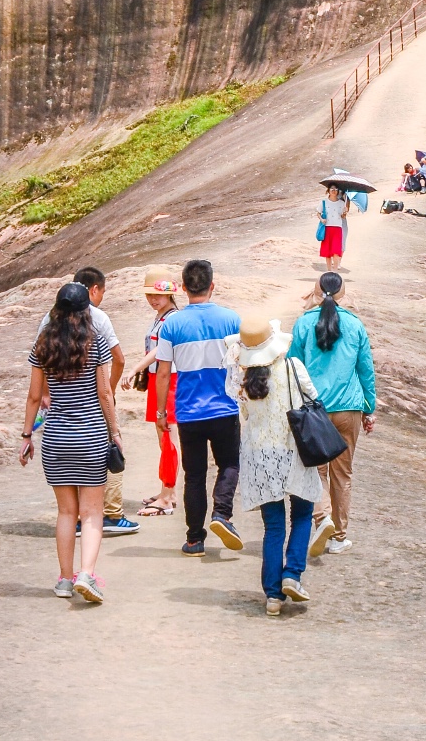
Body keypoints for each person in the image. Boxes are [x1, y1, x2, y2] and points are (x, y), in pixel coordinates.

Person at [21, 281, 122, 605]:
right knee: (92, 513)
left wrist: (26, 436)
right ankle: (86, 574)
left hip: (55, 439)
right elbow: (105, 393)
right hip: (91, 436)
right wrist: (115, 432)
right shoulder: (96, 343)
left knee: (66, 513)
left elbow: (35, 396)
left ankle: (64, 580)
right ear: (85, 310)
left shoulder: (43, 344)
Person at [227, 313, 324, 616]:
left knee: (273, 526)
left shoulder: (241, 379)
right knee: (304, 514)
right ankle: (292, 574)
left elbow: (244, 412)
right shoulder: (292, 366)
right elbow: (314, 396)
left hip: (260, 456)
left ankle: (272, 596)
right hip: (294, 450)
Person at [35, 265, 134, 540]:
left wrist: (47, 393)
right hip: (92, 409)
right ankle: (112, 513)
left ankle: (76, 521)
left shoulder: (48, 320)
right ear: (92, 290)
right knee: (109, 451)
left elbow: (40, 360)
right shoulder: (98, 319)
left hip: (58, 415)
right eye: (101, 292)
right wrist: (109, 391)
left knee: (65, 501)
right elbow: (120, 359)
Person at [154, 258, 243, 556]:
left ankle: (194, 539)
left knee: (194, 475)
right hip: (225, 407)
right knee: (229, 462)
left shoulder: (172, 325)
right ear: (212, 285)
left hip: (189, 412)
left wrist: (161, 412)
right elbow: (242, 363)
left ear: (183, 287)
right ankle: (222, 513)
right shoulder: (231, 319)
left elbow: (163, 372)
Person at [289, 272, 376, 558]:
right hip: (349, 408)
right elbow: (365, 370)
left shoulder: (303, 323)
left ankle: (322, 517)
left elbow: (293, 367)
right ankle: (339, 537)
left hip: (314, 409)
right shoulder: (355, 324)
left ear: (315, 292)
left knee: (316, 470)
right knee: (343, 473)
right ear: (343, 294)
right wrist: (369, 408)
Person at [136, 270, 180, 516]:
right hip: (157, 378)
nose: (154, 299)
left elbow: (159, 351)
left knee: (168, 439)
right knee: (164, 440)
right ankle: (167, 490)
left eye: (159, 294)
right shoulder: (161, 316)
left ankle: (167, 495)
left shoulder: (171, 319)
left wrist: (135, 369)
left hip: (168, 379)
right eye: (150, 294)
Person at [316, 180, 353, 269]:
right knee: (328, 252)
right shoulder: (324, 202)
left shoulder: (341, 203)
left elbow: (342, 217)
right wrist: (322, 219)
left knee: (336, 251)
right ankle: (329, 270)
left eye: (336, 189)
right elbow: (318, 212)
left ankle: (335, 270)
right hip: (327, 227)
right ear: (328, 190)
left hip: (337, 228)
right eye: (332, 189)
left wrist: (345, 212)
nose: (334, 190)